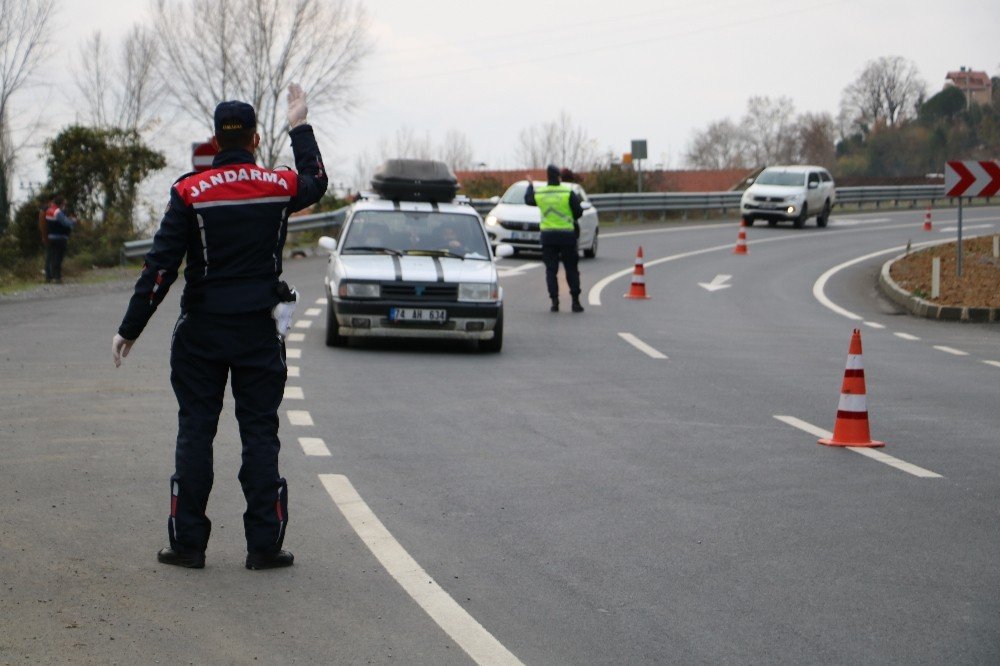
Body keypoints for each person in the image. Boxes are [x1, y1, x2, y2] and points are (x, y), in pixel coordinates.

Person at [110, 84, 328, 570]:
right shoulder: (277, 186)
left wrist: (131, 327)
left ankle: (188, 545)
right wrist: (299, 125)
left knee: (195, 433)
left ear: (214, 140)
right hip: (257, 332)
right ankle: (264, 547)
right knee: (259, 434)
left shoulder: (189, 191)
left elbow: (160, 267)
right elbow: (316, 179)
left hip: (201, 334)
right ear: (253, 139)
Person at [524, 164, 585, 312]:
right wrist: (570, 219)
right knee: (571, 269)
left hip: (548, 236)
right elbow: (578, 211)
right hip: (566, 235)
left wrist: (530, 185)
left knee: (551, 270)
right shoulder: (567, 192)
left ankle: (554, 302)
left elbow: (528, 200)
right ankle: (575, 302)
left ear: (547, 176)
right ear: (559, 177)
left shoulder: (541, 193)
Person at [41, 196, 76, 283]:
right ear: (61, 203)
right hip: (60, 237)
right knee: (58, 258)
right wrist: (73, 221)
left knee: (52, 258)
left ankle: (50, 276)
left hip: (51, 237)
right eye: (64, 203)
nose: (64, 205)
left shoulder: (49, 210)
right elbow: (65, 223)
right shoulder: (57, 212)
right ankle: (57, 277)